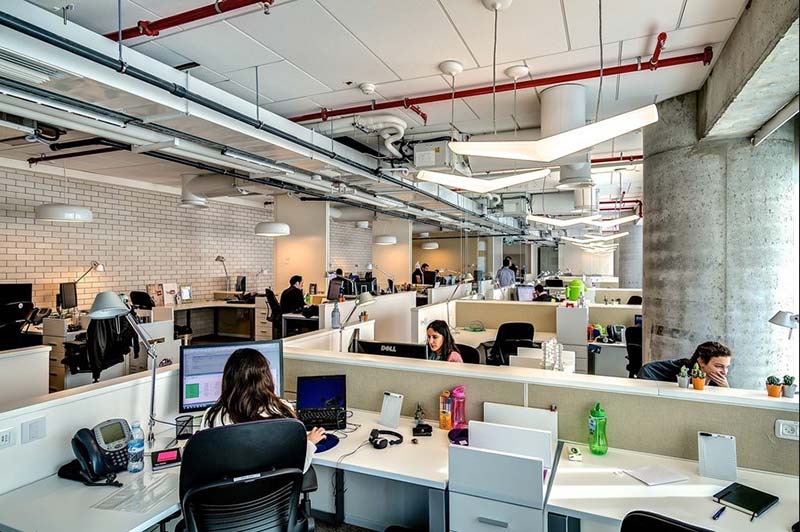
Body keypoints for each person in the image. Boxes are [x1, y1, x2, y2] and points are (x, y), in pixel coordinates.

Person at [200, 348, 326, 473]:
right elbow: (297, 468)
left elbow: (205, 466)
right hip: (277, 486)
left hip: (233, 486)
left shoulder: (213, 416)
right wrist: (309, 443)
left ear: (228, 379)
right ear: (266, 378)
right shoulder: (283, 410)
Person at [637, 341, 732, 387]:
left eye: (727, 367)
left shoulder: (719, 382)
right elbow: (648, 369)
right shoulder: (681, 371)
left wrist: (725, 389)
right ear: (701, 362)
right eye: (719, 366)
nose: (724, 372)